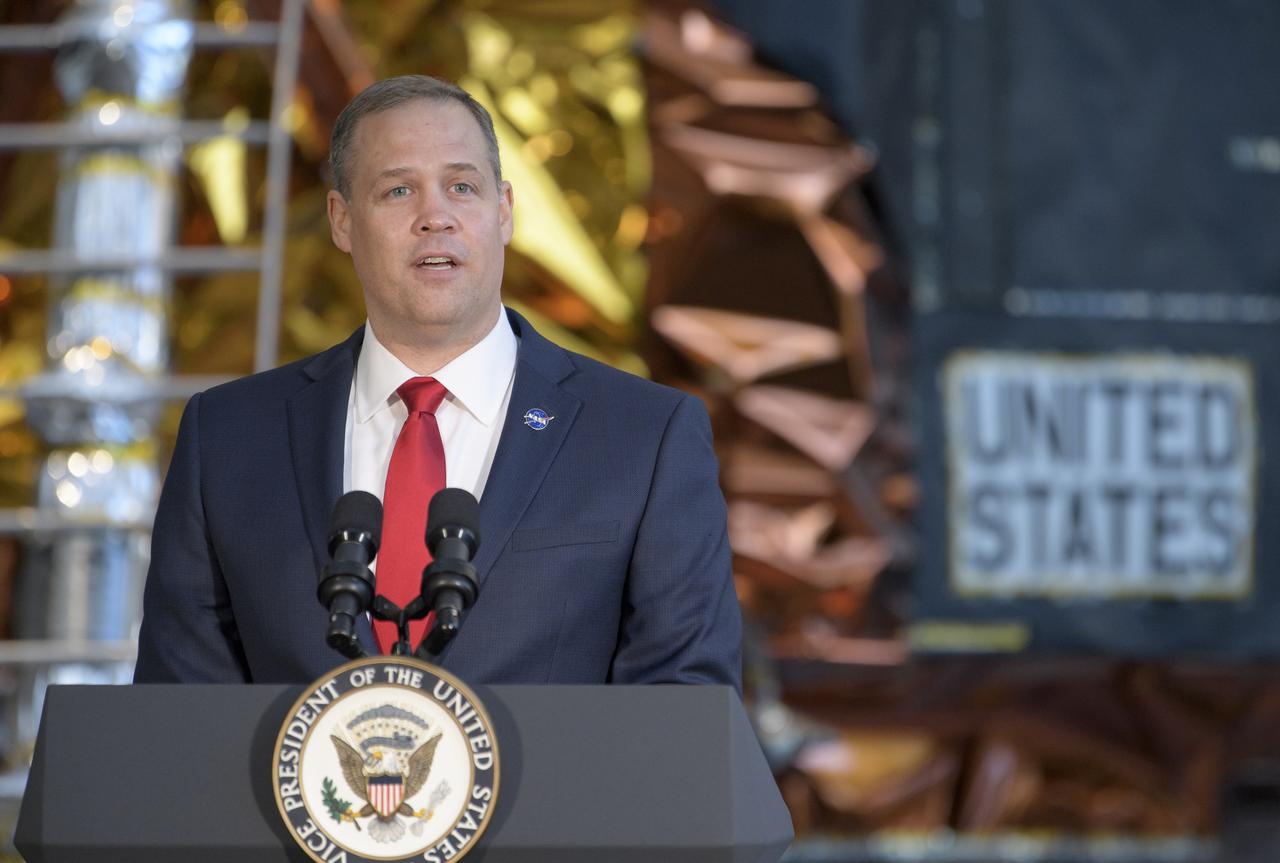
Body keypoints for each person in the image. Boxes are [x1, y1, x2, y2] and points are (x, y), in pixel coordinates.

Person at [133, 75, 741, 691]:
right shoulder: (229, 436)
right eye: (398, 190)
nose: (436, 217)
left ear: (504, 211)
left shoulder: (645, 435)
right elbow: (179, 719)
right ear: (342, 221)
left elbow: (682, 712)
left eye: (462, 187)